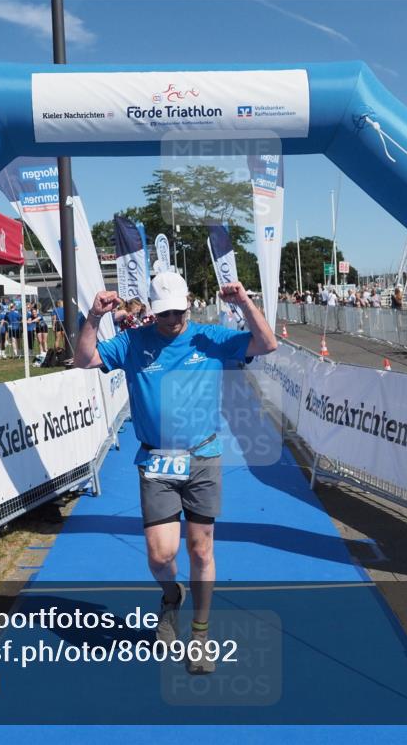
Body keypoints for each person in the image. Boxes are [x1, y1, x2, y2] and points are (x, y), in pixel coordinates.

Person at [75, 273, 277, 674]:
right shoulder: (134, 342)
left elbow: (268, 344)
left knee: (201, 550)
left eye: (178, 311)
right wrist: (94, 318)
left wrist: (245, 302)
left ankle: (200, 636)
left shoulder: (210, 337)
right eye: (164, 313)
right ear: (152, 310)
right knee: (160, 555)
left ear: (188, 303)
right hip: (156, 462)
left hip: (203, 456)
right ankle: (171, 596)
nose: (172, 319)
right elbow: (85, 359)